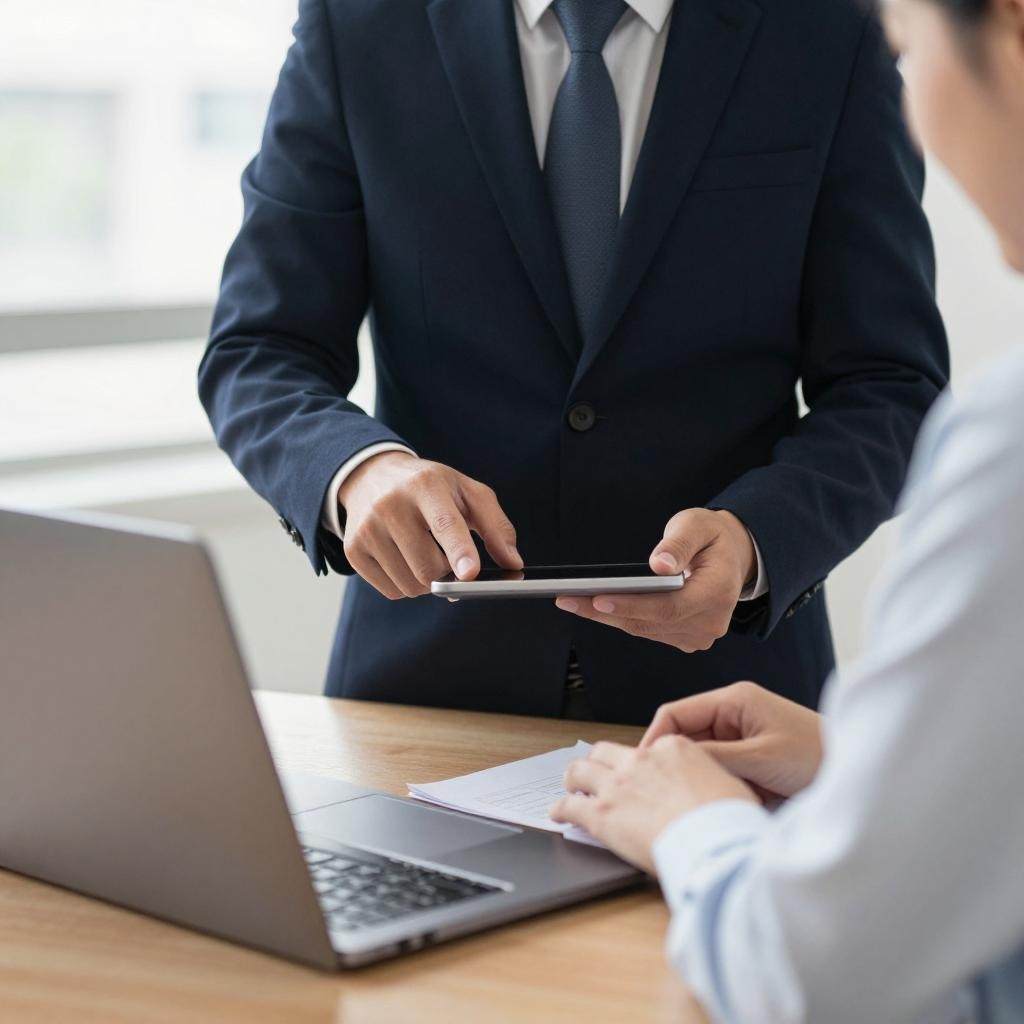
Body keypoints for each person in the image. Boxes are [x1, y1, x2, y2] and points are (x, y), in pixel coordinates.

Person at [199, 0, 948, 723]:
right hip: (425, 690)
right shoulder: (359, 21)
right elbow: (260, 348)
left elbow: (891, 385)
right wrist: (356, 471)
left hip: (728, 702)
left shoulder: (834, 30)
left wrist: (760, 541)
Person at [552, 0, 1024, 1017]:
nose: (921, 117)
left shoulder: (1011, 444)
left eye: (910, 54)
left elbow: (802, 973)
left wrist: (690, 821)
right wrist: (856, 763)